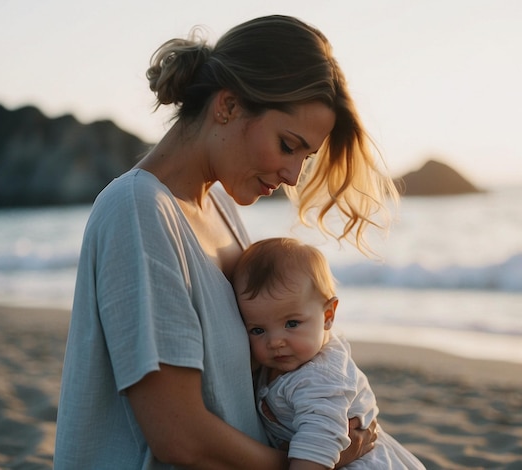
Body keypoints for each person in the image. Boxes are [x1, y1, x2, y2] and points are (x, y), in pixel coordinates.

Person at [54, 14, 399, 469]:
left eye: (306, 157)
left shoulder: (221, 209)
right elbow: (178, 437)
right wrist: (317, 460)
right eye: (287, 144)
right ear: (228, 106)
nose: (293, 175)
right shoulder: (138, 210)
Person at [232, 237, 426, 470]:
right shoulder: (294, 357)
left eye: (292, 323)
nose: (274, 341)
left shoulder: (320, 377)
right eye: (258, 330)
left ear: (327, 316)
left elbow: (319, 440)